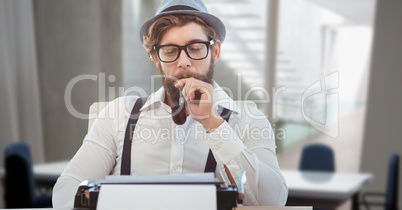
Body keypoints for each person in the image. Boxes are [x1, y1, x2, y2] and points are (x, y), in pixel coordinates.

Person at [52, 0, 288, 208]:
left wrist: (214, 124)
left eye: (195, 49)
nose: (184, 62)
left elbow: (273, 201)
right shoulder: (119, 114)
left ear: (215, 51)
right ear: (156, 58)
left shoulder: (248, 118)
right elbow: (66, 190)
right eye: (171, 51)